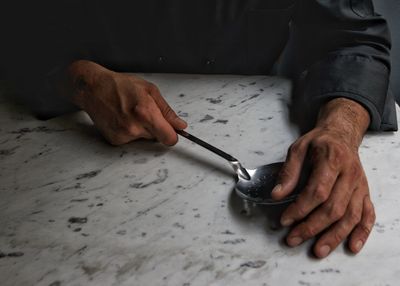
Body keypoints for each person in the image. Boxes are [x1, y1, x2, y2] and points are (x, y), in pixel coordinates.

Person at [1, 0, 397, 258]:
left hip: (263, 119)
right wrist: (79, 81)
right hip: (68, 184)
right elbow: (18, 31)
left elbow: (355, 39)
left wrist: (341, 129)